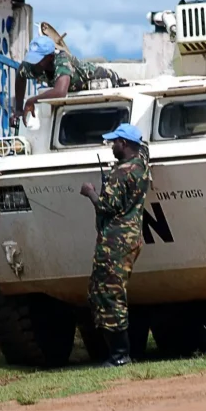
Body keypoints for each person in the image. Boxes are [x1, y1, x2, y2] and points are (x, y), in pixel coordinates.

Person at [79, 123, 151, 367]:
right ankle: (117, 351)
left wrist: (90, 192)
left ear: (126, 144)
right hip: (129, 238)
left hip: (115, 240)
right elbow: (145, 149)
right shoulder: (141, 165)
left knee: (109, 294)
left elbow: (106, 206)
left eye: (116, 142)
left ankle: (120, 355)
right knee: (103, 290)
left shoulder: (121, 174)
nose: (112, 146)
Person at [12, 35, 126, 127]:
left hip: (101, 79)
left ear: (50, 57)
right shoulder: (35, 65)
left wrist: (31, 101)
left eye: (38, 59)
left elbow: (60, 92)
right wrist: (18, 109)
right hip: (76, 90)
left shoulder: (61, 59)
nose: (34, 63)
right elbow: (20, 75)